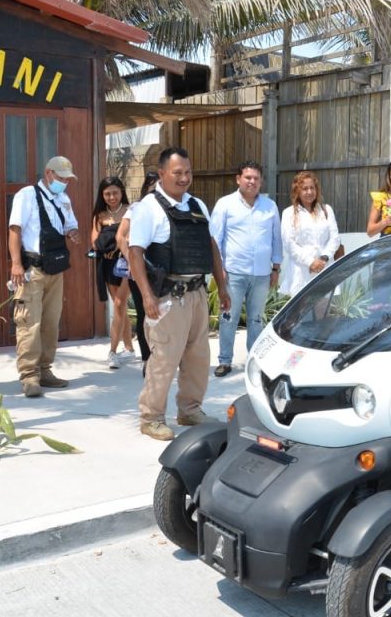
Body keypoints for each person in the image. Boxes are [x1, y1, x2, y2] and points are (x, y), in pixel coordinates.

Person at [128, 148, 230, 440]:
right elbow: (135, 253)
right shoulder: (148, 208)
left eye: (188, 172)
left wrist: (222, 286)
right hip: (168, 297)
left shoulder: (196, 204)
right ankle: (151, 418)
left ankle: (190, 410)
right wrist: (146, 296)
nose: (184, 178)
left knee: (198, 358)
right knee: (164, 359)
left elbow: (211, 247)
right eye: (177, 173)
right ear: (162, 174)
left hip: (197, 293)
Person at [8, 156, 81, 397]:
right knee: (29, 323)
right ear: (48, 173)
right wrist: (16, 264)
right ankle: (29, 375)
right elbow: (15, 229)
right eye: (61, 178)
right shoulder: (27, 195)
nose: (64, 183)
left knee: (51, 323)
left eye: (67, 180)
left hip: (55, 269)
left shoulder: (63, 198)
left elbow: (70, 225)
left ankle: (45, 369)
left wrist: (73, 233)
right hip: (32, 269)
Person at [210, 161, 282, 377]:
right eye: (248, 177)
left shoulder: (270, 206)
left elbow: (276, 239)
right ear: (238, 179)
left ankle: (254, 361)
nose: (252, 182)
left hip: (261, 274)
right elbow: (214, 239)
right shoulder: (225, 204)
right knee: (228, 318)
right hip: (233, 273)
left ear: (261, 181)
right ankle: (225, 360)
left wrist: (276, 268)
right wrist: (219, 269)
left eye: (256, 178)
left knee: (256, 319)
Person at [91, 176, 135, 369]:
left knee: (118, 303)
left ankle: (113, 351)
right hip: (107, 265)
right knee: (120, 306)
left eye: (115, 192)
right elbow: (94, 241)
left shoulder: (130, 211)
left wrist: (117, 246)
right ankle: (129, 348)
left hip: (126, 264)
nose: (112, 197)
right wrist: (106, 246)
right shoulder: (99, 215)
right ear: (102, 195)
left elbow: (131, 238)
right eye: (107, 193)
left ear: (121, 192)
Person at [117, 172, 158, 365]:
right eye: (152, 186)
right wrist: (132, 261)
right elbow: (120, 237)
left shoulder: (171, 207)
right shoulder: (136, 208)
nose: (156, 190)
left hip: (163, 270)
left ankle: (163, 358)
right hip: (139, 270)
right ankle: (147, 359)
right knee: (144, 314)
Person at [279, 171, 340, 297]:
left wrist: (323, 258)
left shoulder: (326, 210)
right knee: (301, 307)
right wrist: (310, 262)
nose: (309, 192)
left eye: (312, 188)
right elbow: (289, 243)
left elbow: (335, 238)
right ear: (297, 191)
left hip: (324, 267)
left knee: (323, 307)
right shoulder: (288, 213)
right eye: (305, 188)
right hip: (301, 270)